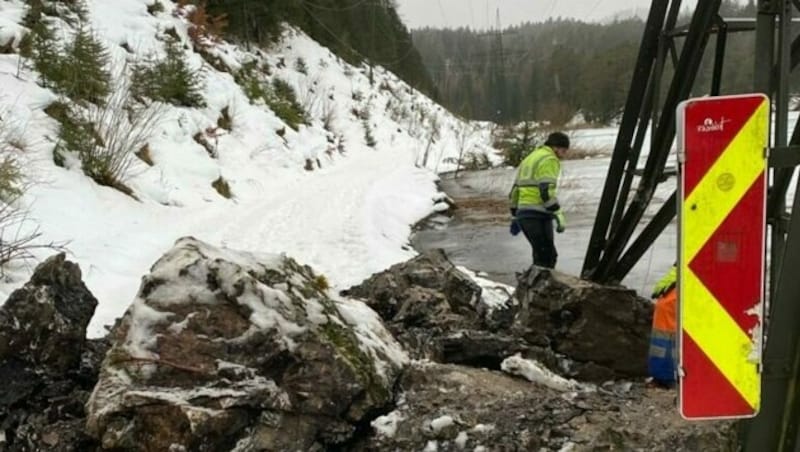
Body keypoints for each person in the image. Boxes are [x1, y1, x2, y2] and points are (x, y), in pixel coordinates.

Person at [508, 131, 569, 268]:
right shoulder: (550, 159)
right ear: (555, 148)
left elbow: (515, 191)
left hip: (525, 214)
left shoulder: (530, 158)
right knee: (547, 256)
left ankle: (533, 285)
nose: (564, 155)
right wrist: (557, 212)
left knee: (540, 255)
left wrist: (515, 214)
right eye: (564, 151)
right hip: (538, 214)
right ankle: (542, 287)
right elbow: (546, 190)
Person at [648, 264, 678, 388]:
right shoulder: (689, 274)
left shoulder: (674, 273)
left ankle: (658, 377)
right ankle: (669, 378)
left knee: (659, 349)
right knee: (671, 349)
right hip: (671, 313)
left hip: (662, 312)